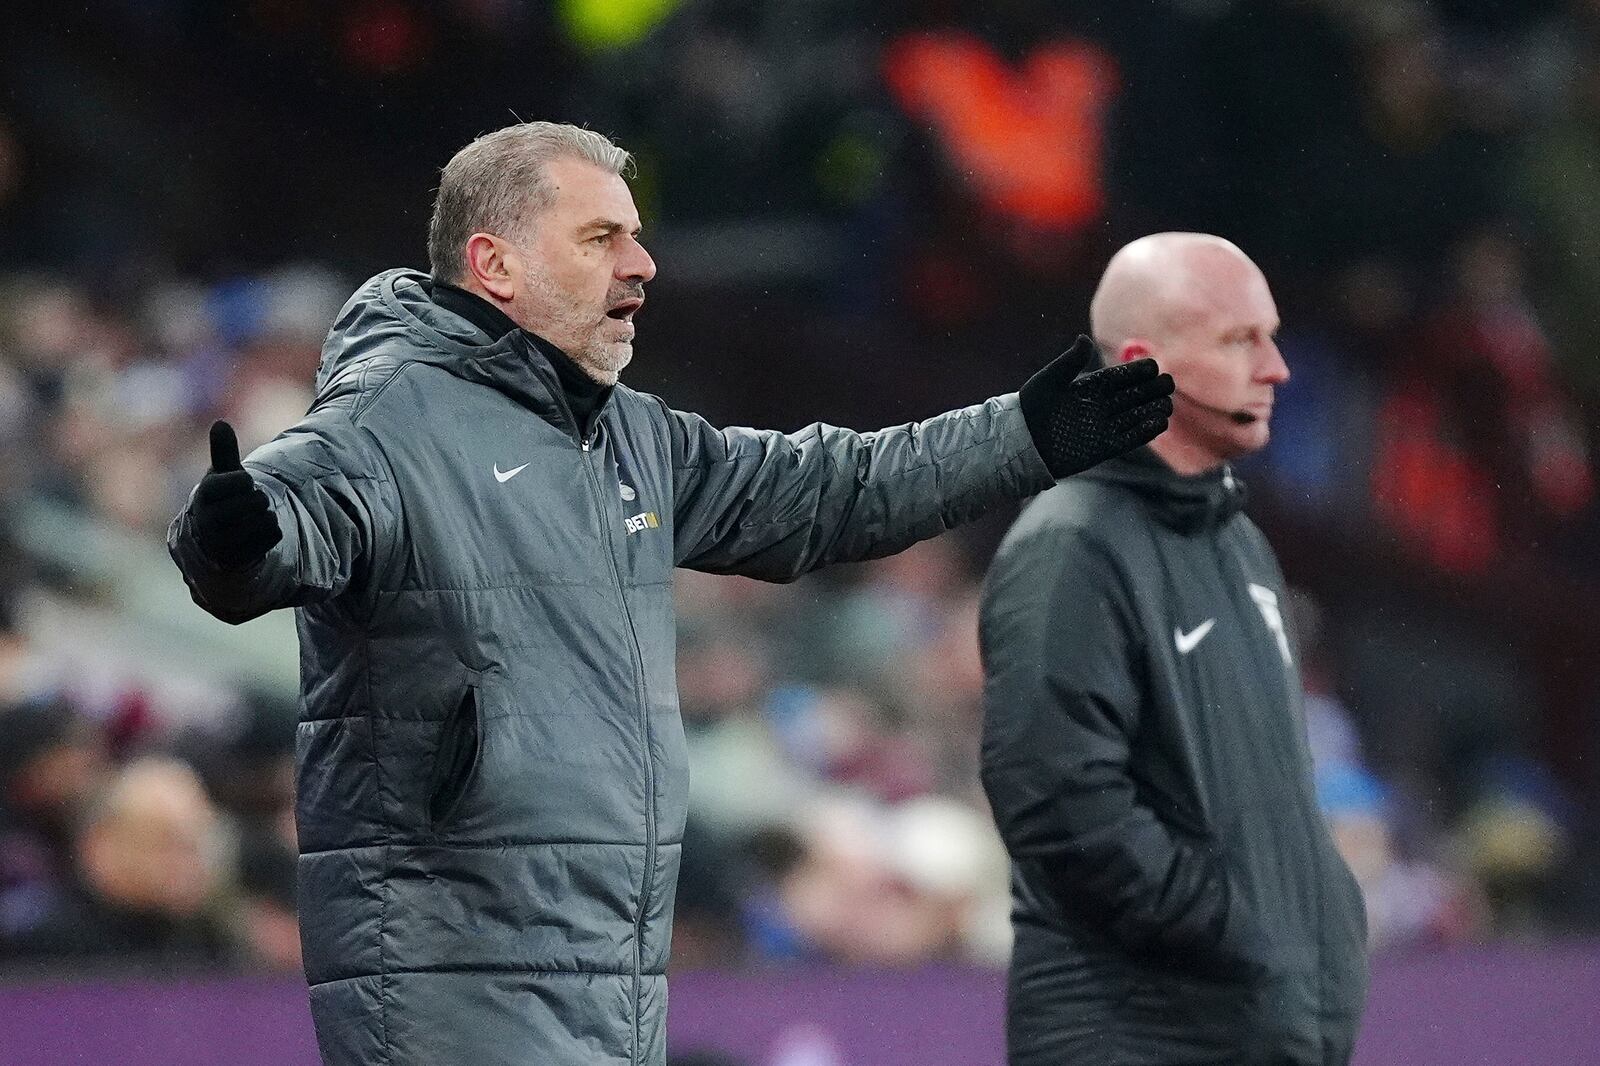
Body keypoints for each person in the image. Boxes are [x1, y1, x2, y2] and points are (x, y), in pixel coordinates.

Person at [166, 121, 1173, 1066]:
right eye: (601, 237)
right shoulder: (389, 416)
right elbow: (285, 516)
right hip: (453, 980)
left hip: (606, 975)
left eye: (636, 238)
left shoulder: (629, 435)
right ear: (496, 265)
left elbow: (832, 490)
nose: (640, 264)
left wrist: (1023, 436)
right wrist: (233, 543)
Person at [979, 232, 1368, 1065]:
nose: (1277, 368)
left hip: (1253, 1026)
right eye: (1239, 340)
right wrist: (1240, 922)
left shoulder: (1239, 543)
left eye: (1271, 335)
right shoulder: (1070, 547)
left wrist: (1317, 921)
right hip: (1142, 1035)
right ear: (1144, 364)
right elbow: (1058, 804)